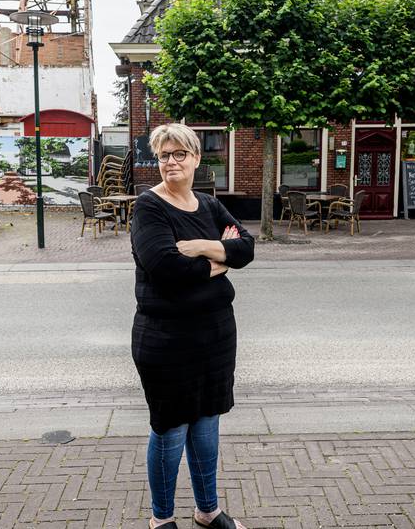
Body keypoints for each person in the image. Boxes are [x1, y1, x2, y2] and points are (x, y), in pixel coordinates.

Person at [130, 123, 255, 529]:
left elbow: (247, 247)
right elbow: (165, 267)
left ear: (196, 158)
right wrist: (222, 260)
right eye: (163, 155)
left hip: (215, 335)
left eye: (179, 154)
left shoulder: (209, 205)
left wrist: (201, 248)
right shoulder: (149, 206)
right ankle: (161, 518)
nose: (170, 162)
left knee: (207, 421)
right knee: (170, 428)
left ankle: (208, 510)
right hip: (167, 339)